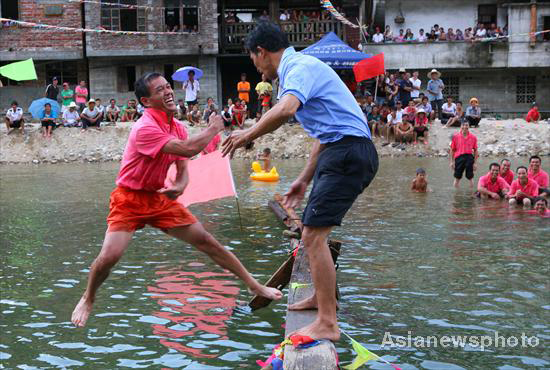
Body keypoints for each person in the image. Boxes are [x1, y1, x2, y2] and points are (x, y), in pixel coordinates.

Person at [71, 72, 282, 328]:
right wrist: (214, 128)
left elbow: (182, 168)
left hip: (158, 198)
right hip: (129, 198)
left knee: (207, 241)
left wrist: (180, 185)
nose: (168, 92)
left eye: (168, 87)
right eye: (160, 90)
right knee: (109, 257)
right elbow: (188, 149)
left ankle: (253, 285)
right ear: (147, 101)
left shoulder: (178, 127)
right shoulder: (144, 127)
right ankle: (88, 297)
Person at [222, 22, 378, 341]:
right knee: (312, 233)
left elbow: (286, 110)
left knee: (313, 238)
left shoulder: (298, 67)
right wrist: (304, 179)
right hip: (341, 150)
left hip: (348, 152)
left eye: (253, 60)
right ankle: (324, 301)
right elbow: (323, 133)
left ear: (261, 52)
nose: (255, 67)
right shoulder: (301, 68)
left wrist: (247, 134)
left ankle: (327, 323)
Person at [450, 121, 478, 188]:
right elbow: (452, 150)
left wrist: (475, 163)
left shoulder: (473, 137)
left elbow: (476, 150)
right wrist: (452, 162)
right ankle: (456, 194)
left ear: (469, 126)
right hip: (459, 157)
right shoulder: (455, 137)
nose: (465, 127)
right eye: (463, 125)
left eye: (466, 125)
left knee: (470, 177)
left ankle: (470, 194)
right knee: (457, 177)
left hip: (469, 157)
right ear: (460, 126)